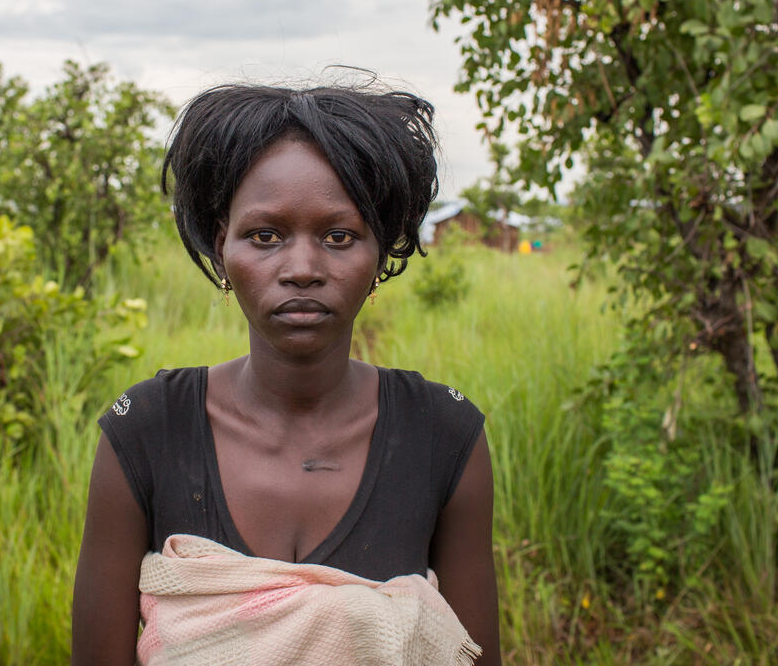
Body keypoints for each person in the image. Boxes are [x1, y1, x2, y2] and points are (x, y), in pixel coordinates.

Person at [72, 83, 501, 665]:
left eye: (339, 237)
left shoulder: (445, 436)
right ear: (223, 247)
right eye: (265, 236)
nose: (302, 269)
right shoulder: (146, 432)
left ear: (380, 255)